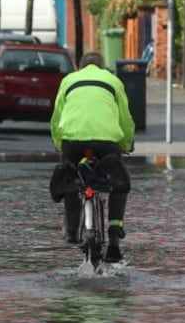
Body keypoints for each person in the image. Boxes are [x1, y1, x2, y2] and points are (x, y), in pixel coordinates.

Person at [50, 52, 135, 263]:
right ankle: (115, 233)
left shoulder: (68, 80)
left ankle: (72, 228)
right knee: (117, 181)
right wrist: (126, 144)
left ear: (79, 68)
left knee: (70, 177)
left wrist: (59, 143)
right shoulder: (113, 81)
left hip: (73, 140)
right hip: (106, 141)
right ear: (103, 67)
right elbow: (124, 118)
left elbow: (56, 117)